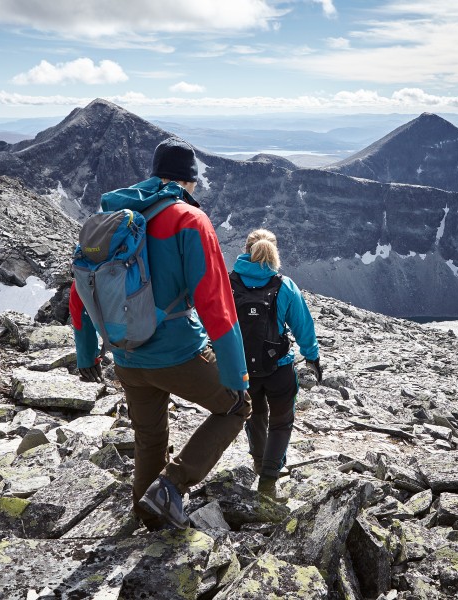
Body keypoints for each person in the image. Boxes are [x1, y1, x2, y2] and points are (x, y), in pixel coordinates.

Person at [69, 135, 251, 530]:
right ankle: (172, 486)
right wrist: (236, 375)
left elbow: (81, 292)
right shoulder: (190, 220)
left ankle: (149, 516)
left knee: (149, 436)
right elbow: (215, 304)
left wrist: (87, 355)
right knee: (237, 407)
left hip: (127, 358)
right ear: (190, 181)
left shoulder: (113, 219)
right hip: (177, 354)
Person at [229, 229, 321, 499]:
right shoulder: (285, 285)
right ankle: (269, 480)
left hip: (243, 368)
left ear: (246, 250)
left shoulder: (227, 282)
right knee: (281, 422)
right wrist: (312, 357)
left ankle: (260, 464)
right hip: (278, 367)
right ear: (273, 252)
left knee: (255, 416)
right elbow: (303, 326)